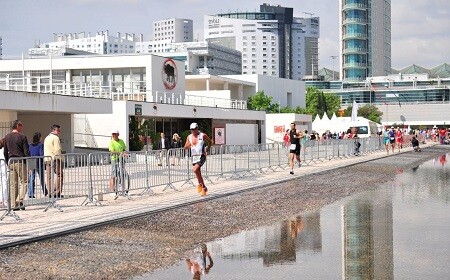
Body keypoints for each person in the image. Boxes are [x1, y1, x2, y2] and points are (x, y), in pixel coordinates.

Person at [3, 120, 30, 210]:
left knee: (13, 184)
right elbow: (26, 151)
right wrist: (28, 163)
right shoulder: (22, 137)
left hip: (11, 161)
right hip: (20, 161)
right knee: (24, 181)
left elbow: (5, 152)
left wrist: (7, 162)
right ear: (18, 125)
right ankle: (19, 200)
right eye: (21, 125)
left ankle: (13, 204)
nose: (22, 127)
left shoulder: (7, 137)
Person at [184, 123, 212, 196]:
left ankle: (201, 185)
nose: (193, 131)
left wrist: (208, 148)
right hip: (194, 157)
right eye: (192, 129)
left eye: (194, 129)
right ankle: (204, 187)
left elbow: (210, 141)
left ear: (197, 128)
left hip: (201, 156)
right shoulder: (189, 137)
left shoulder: (203, 135)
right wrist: (188, 145)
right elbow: (185, 147)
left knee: (195, 169)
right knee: (197, 173)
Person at [44, 124, 64, 198]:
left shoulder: (47, 137)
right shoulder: (56, 138)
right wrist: (60, 158)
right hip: (55, 159)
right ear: (54, 130)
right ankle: (57, 192)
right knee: (59, 174)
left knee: (49, 176)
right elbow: (58, 150)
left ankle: (49, 192)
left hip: (47, 159)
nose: (59, 132)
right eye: (58, 130)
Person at [28, 132, 47, 198]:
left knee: (31, 178)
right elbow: (41, 154)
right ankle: (45, 192)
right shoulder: (41, 145)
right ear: (39, 138)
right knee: (41, 178)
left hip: (31, 161)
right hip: (38, 161)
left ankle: (30, 193)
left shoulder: (30, 145)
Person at [109, 130, 127, 194]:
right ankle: (112, 190)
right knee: (114, 174)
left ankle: (123, 189)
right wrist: (120, 153)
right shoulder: (112, 142)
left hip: (121, 159)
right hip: (115, 159)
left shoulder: (121, 141)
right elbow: (112, 151)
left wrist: (125, 153)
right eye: (113, 134)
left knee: (122, 173)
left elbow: (124, 149)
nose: (113, 135)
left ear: (118, 135)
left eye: (115, 134)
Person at [0, 138, 8, 206]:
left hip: (3, 169)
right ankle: (3, 200)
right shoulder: (4, 151)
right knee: (4, 184)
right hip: (3, 169)